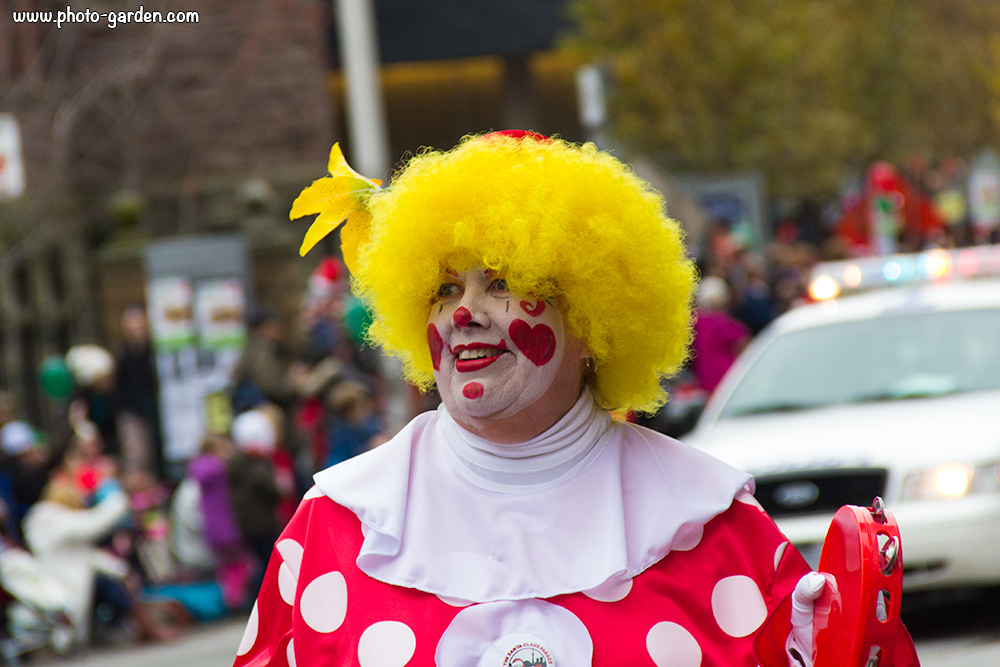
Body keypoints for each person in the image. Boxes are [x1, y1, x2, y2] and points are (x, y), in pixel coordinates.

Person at [234, 132, 918, 666]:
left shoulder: (713, 527)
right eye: (443, 289)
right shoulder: (338, 527)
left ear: (592, 321)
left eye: (503, 282)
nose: (463, 312)